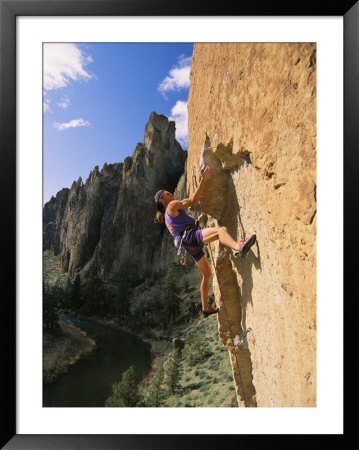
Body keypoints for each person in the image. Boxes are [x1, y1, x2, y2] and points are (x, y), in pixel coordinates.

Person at [154, 167, 256, 318]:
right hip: (190, 237)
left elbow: (181, 228)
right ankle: (238, 247)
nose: (170, 193)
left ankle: (205, 308)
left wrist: (197, 222)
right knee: (221, 231)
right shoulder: (171, 205)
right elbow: (193, 201)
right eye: (167, 193)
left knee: (207, 274)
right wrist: (204, 179)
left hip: (187, 245)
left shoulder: (168, 217)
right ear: (162, 200)